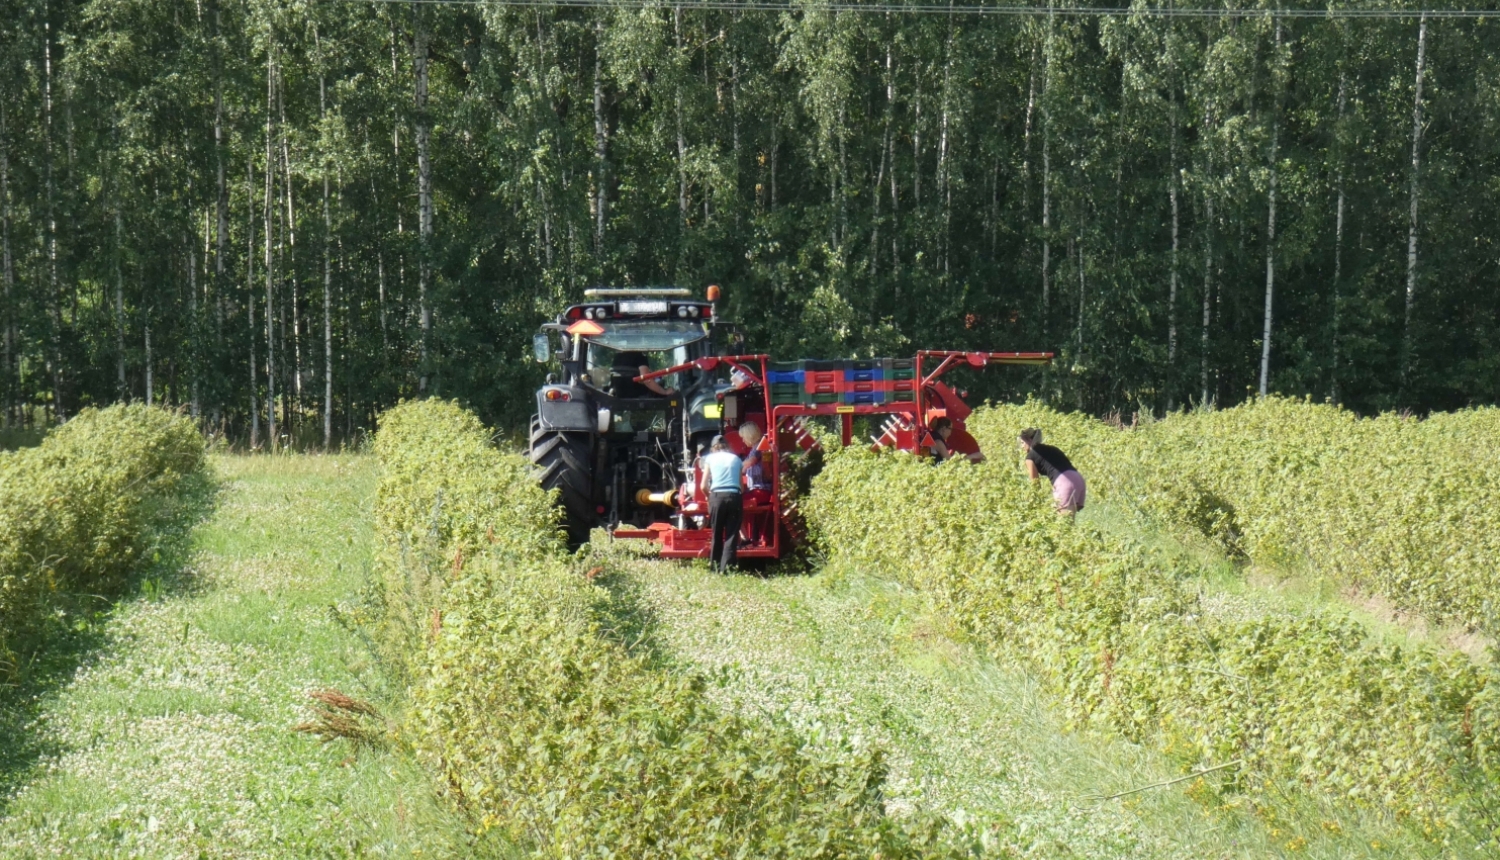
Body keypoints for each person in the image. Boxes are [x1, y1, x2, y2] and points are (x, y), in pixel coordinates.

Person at [698, 435, 743, 571]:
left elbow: (703, 486)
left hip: (717, 497)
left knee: (716, 533)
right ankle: (727, 568)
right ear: (727, 446)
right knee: (731, 535)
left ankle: (715, 567)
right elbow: (741, 486)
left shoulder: (709, 459)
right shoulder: (736, 459)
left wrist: (709, 497)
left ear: (713, 448)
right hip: (734, 496)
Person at [1019, 427, 1085, 514]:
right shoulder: (1051, 448)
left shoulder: (1030, 457)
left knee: (1064, 525)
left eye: (1022, 443)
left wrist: (1035, 503)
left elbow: (1035, 484)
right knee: (1063, 521)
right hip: (1078, 479)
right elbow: (1058, 469)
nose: (1022, 446)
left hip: (1065, 483)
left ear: (1029, 440)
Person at [739, 422, 772, 546]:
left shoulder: (759, 448)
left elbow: (746, 465)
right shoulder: (755, 448)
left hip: (761, 490)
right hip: (757, 490)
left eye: (743, 437)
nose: (742, 440)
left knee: (734, 504)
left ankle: (745, 539)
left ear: (749, 435)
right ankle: (747, 537)